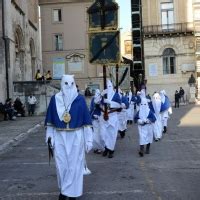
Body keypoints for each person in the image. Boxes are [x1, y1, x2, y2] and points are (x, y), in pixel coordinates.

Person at [45, 74, 93, 200]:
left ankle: (70, 194)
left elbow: (86, 122)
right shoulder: (55, 99)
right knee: (61, 165)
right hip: (59, 136)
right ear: (62, 84)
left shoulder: (80, 100)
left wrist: (89, 140)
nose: (69, 86)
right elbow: (50, 122)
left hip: (76, 137)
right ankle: (65, 190)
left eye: (71, 83)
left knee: (75, 166)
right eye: (66, 83)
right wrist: (49, 137)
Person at [99, 80, 121, 158]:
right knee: (103, 134)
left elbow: (119, 107)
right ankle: (106, 147)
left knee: (111, 134)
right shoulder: (103, 94)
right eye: (107, 87)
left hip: (112, 117)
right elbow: (98, 104)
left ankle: (110, 150)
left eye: (110, 86)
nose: (109, 88)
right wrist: (101, 96)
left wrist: (110, 105)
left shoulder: (116, 95)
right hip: (103, 117)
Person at [90, 89, 104, 154]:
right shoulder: (93, 99)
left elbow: (103, 108)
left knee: (99, 133)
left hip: (100, 118)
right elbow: (91, 108)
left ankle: (100, 148)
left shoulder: (102, 99)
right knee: (94, 133)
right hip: (94, 118)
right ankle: (95, 147)